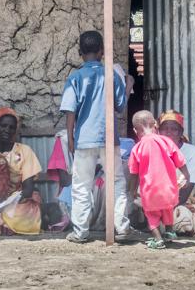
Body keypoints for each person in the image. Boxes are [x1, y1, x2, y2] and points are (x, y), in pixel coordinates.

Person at [60, 30, 130, 243]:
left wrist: (71, 138)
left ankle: (80, 231)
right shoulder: (112, 75)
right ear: (102, 51)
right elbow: (120, 107)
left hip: (84, 140)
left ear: (80, 52)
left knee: (81, 185)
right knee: (117, 181)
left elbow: (70, 111)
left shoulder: (75, 77)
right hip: (109, 139)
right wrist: (128, 88)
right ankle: (122, 226)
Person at [127, 111, 190, 249]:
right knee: (167, 209)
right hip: (169, 187)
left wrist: (132, 190)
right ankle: (169, 232)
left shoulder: (137, 148)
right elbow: (180, 160)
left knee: (151, 215)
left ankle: (158, 239)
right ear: (155, 124)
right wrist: (186, 175)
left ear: (135, 130)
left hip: (150, 190)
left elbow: (134, 173)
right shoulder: (166, 141)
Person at [0, 107, 43, 235]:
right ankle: (1, 221)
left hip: (16, 200)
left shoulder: (25, 151)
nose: (7, 130)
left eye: (11, 127)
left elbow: (28, 188)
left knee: (28, 210)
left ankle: (1, 221)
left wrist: (13, 201)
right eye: (3, 126)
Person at [157, 109, 195, 237]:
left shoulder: (192, 152)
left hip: (183, 200)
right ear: (158, 132)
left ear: (181, 132)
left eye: (174, 129)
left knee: (183, 216)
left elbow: (187, 189)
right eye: (164, 129)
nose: (168, 133)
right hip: (157, 201)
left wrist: (166, 208)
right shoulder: (154, 150)